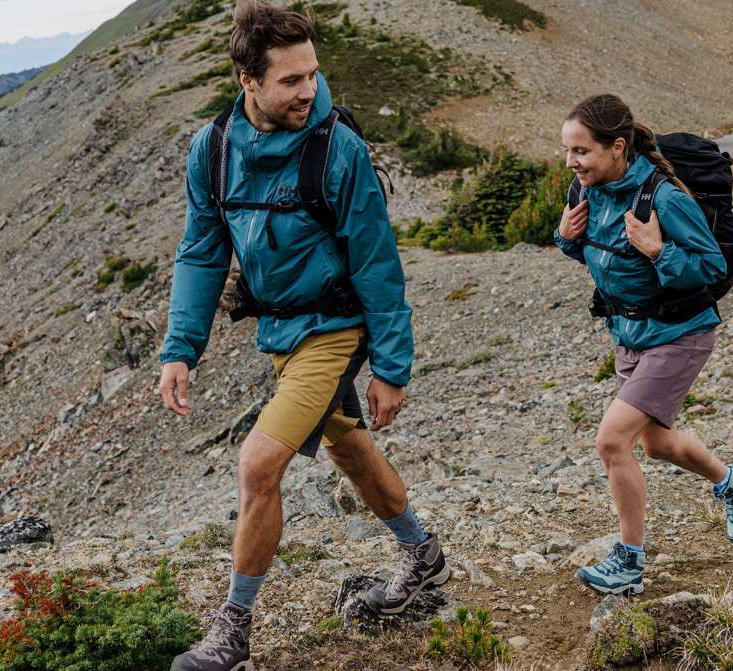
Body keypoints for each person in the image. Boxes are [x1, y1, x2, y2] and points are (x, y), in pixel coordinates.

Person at [158, 3, 444, 668]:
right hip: (283, 333)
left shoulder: (338, 149)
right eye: (291, 80)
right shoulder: (216, 148)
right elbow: (202, 252)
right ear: (247, 82)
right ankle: (422, 551)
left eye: (313, 74)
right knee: (348, 447)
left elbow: (378, 261)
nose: (308, 90)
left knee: (259, 465)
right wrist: (180, 348)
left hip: (334, 329)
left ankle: (232, 630)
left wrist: (392, 366)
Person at [552, 94, 733, 596]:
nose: (571, 162)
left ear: (617, 147)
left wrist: (659, 249)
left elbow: (711, 269)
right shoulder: (589, 191)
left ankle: (629, 561)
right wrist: (565, 238)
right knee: (657, 443)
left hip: (680, 334)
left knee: (611, 441)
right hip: (631, 334)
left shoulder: (663, 197)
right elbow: (604, 258)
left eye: (581, 152)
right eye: (567, 151)